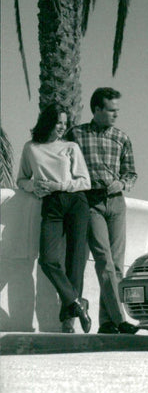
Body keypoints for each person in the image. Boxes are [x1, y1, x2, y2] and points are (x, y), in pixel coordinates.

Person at [66, 88, 139, 335]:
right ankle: (120, 319)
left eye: (117, 110)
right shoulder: (76, 134)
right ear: (97, 109)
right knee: (104, 261)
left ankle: (106, 323)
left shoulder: (121, 137)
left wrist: (123, 183)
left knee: (116, 265)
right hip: (90, 202)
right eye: (111, 110)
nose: (116, 114)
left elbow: (131, 173)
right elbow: (63, 164)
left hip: (116, 202)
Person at [16, 104, 93, 333]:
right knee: (48, 260)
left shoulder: (70, 147)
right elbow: (21, 180)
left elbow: (85, 181)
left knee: (75, 262)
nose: (62, 127)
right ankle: (77, 302)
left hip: (76, 202)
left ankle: (68, 322)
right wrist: (34, 186)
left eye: (65, 123)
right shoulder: (31, 148)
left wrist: (58, 185)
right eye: (59, 122)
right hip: (51, 205)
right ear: (48, 121)